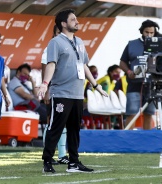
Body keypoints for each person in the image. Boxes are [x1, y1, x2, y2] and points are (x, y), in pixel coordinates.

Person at [37, 9, 107, 173]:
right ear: (63, 24)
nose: (77, 22)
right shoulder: (55, 42)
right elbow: (51, 64)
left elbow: (84, 65)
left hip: (77, 94)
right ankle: (47, 162)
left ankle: (73, 163)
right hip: (61, 93)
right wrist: (45, 83)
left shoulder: (80, 42)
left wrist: (96, 85)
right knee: (56, 128)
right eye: (73, 19)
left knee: (75, 130)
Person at [119, 19, 162, 130]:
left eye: (151, 33)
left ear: (155, 33)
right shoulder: (132, 44)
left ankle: (147, 141)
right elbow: (122, 62)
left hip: (152, 83)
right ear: (141, 31)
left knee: (149, 113)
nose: (149, 35)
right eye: (146, 32)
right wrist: (129, 72)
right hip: (134, 83)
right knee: (132, 112)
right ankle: (128, 140)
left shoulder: (159, 45)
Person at [41, 25, 69, 165]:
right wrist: (46, 90)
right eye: (58, 32)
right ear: (54, 33)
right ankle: (48, 153)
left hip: (65, 91)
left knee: (62, 122)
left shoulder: (68, 46)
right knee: (51, 122)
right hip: (53, 90)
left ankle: (62, 155)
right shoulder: (49, 49)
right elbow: (45, 69)